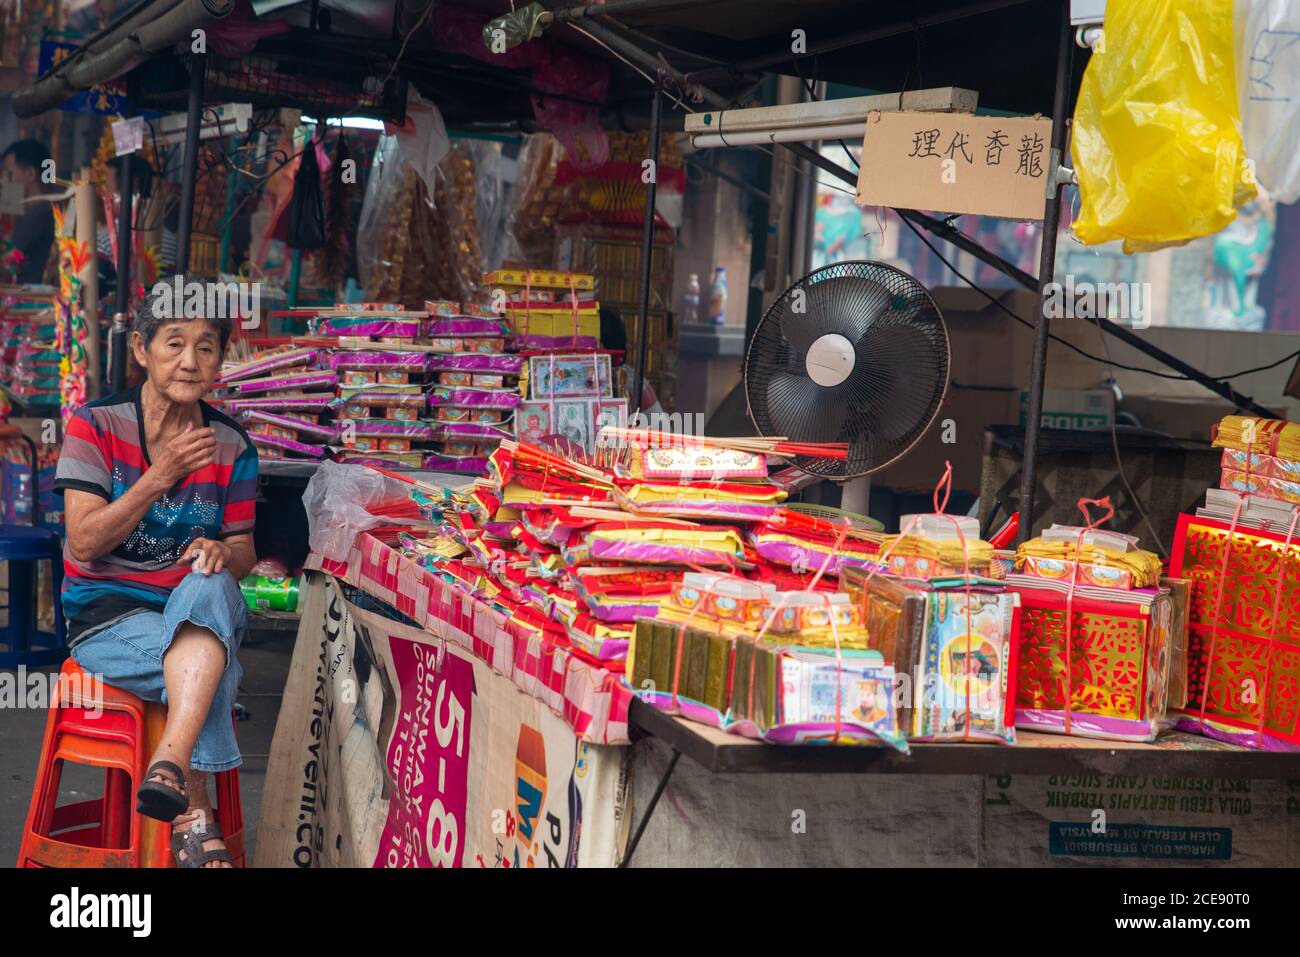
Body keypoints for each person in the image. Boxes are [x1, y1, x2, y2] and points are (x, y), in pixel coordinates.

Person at [53, 275, 259, 868]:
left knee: (215, 582)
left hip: (189, 607)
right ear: (142, 351)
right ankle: (197, 813)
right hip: (107, 616)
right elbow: (86, 542)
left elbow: (244, 549)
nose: (190, 361)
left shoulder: (230, 443)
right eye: (173, 343)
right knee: (213, 670)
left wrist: (225, 554)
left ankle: (166, 765)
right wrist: (158, 476)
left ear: (221, 359)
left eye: (206, 346)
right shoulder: (95, 426)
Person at [2, 139, 55, 285]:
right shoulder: (35, 210)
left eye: (10, 175)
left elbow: (5, 261)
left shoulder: (37, 214)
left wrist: (9, 200)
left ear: (31, 174)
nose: (5, 182)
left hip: (26, 298)